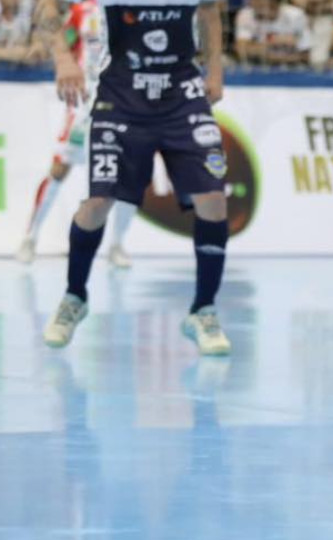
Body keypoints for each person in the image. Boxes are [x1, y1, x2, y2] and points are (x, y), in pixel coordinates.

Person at [34, 0, 232, 355]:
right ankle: (74, 297)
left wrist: (215, 71)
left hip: (182, 94)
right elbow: (47, 7)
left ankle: (203, 310)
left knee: (214, 199)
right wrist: (63, 58)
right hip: (121, 95)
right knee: (97, 203)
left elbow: (209, 10)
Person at [17, 0, 138, 268]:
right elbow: (60, 35)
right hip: (85, 102)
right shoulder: (81, 10)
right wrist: (53, 53)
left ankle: (118, 244)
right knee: (60, 167)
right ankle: (30, 237)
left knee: (126, 174)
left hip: (125, 101)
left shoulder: (134, 7)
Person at [235, 0, 312, 66]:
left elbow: (306, 55)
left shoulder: (296, 15)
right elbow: (242, 50)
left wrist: (259, 49)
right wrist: (274, 41)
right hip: (257, 66)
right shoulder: (246, 14)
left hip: (294, 68)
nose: (253, 3)